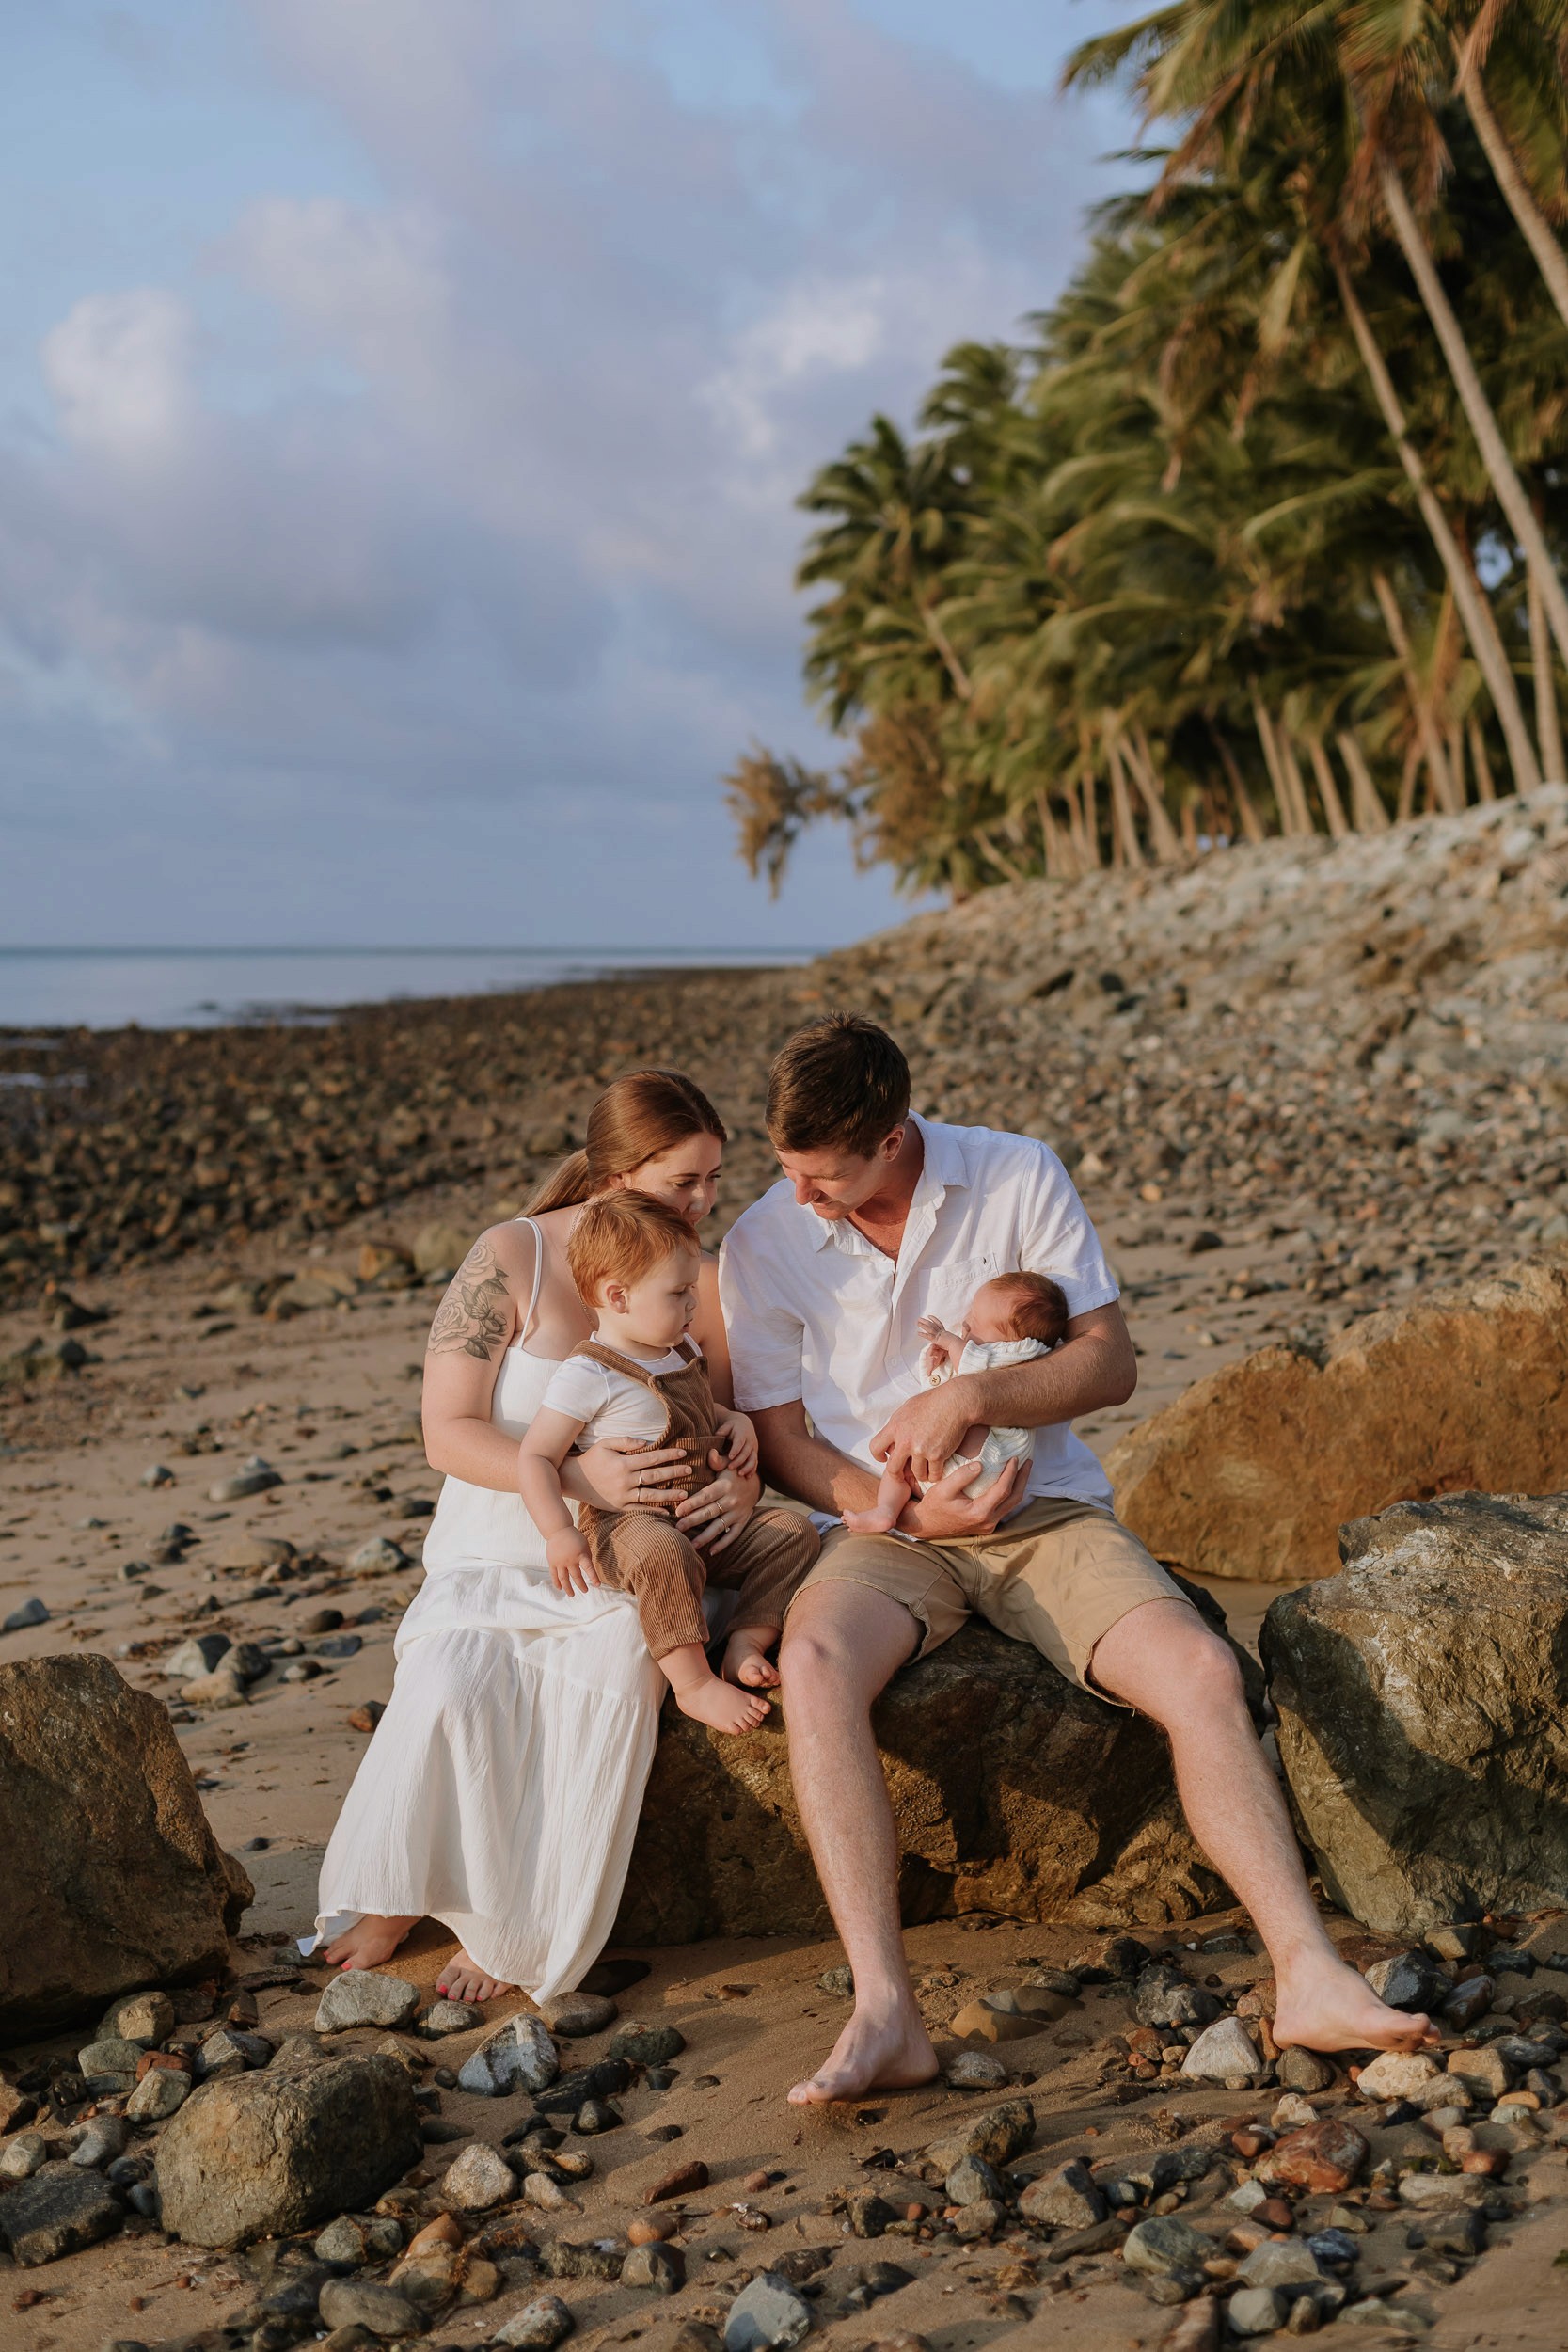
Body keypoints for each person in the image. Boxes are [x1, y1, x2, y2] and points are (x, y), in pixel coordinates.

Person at [720, 1013, 1438, 2106]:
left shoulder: (1014, 1172)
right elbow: (776, 1435)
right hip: (881, 1533)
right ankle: (885, 2014)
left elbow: (1106, 1363)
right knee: (816, 1665)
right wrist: (893, 1508)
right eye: (789, 1174)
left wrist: (972, 1392)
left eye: (825, 1178)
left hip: (1043, 1510)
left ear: (892, 1134)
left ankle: (1309, 1972)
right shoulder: (763, 1239)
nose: (802, 1198)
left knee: (1198, 1671)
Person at [311, 1068, 765, 2004]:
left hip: (622, 1559)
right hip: (498, 1544)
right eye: (684, 1182)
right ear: (615, 1171)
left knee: (604, 1673)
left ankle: (504, 1923)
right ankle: (399, 1893)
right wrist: (572, 1474)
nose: (703, 1202)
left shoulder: (695, 1278)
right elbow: (446, 1429)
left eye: (712, 1180)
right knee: (448, 1685)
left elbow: (717, 1414)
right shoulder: (510, 1254)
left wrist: (742, 1463)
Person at [519, 1191, 818, 1731]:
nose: (692, 1305)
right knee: (662, 1552)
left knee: (793, 1532)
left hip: (703, 1522)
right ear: (619, 1296)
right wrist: (559, 1532)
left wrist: (735, 1421)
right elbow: (536, 1456)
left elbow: (703, 1411)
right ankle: (694, 1683)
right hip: (629, 1528)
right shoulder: (590, 1372)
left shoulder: (681, 1351)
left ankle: (746, 1642)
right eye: (678, 1293)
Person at [843, 1269, 1068, 1535]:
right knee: (898, 1469)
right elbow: (940, 1392)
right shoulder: (997, 1348)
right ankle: (886, 1512)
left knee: (912, 1458)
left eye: (975, 1322)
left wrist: (947, 1340)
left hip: (989, 1463)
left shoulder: (1021, 1354)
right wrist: (935, 1364)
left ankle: (887, 1510)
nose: (965, 1324)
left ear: (1014, 1340)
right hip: (955, 1474)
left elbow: (972, 1376)